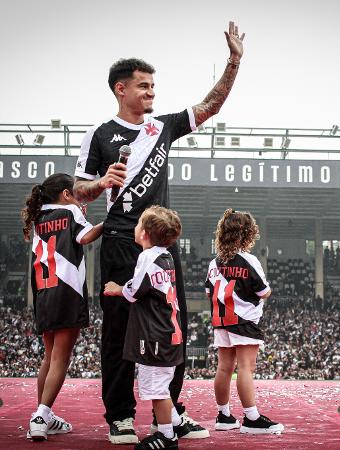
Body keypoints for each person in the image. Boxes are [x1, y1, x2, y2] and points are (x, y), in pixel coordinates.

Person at [73, 21, 244, 444]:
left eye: (153, 86)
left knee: (173, 329)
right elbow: (78, 191)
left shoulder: (163, 127)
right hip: (118, 242)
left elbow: (210, 106)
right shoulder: (99, 134)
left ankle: (171, 414)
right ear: (120, 89)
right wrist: (100, 184)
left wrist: (234, 62)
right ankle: (120, 416)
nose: (152, 92)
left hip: (161, 245)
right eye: (144, 86)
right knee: (118, 330)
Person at [21, 173, 103, 441]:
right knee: (60, 358)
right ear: (66, 194)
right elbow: (86, 237)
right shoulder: (70, 211)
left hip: (43, 293)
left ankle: (43, 414)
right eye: (75, 193)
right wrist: (108, 223)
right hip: (67, 291)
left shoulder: (39, 218)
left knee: (49, 356)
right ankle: (41, 416)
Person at [105, 206, 194, 449]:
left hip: (155, 335)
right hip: (169, 333)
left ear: (144, 233)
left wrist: (117, 288)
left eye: (137, 225)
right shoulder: (166, 257)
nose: (133, 228)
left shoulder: (147, 257)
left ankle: (167, 436)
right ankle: (174, 421)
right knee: (161, 385)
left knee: (157, 390)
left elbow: (135, 292)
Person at [205, 209, 284, 434]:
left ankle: (224, 415)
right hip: (244, 320)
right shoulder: (248, 260)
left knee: (224, 368)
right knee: (246, 369)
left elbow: (207, 292)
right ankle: (251, 418)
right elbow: (264, 291)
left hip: (221, 319)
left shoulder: (214, 262)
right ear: (247, 234)